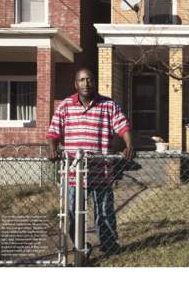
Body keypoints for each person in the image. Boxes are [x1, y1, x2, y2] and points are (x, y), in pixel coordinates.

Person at [46, 67, 133, 255]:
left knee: (104, 212)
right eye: (82, 80)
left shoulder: (109, 105)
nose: (86, 83)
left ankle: (109, 246)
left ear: (95, 82)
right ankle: (81, 248)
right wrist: (53, 147)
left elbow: (122, 125)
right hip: (74, 173)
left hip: (101, 171)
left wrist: (128, 144)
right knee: (72, 214)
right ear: (75, 84)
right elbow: (53, 132)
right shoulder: (65, 106)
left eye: (90, 79)